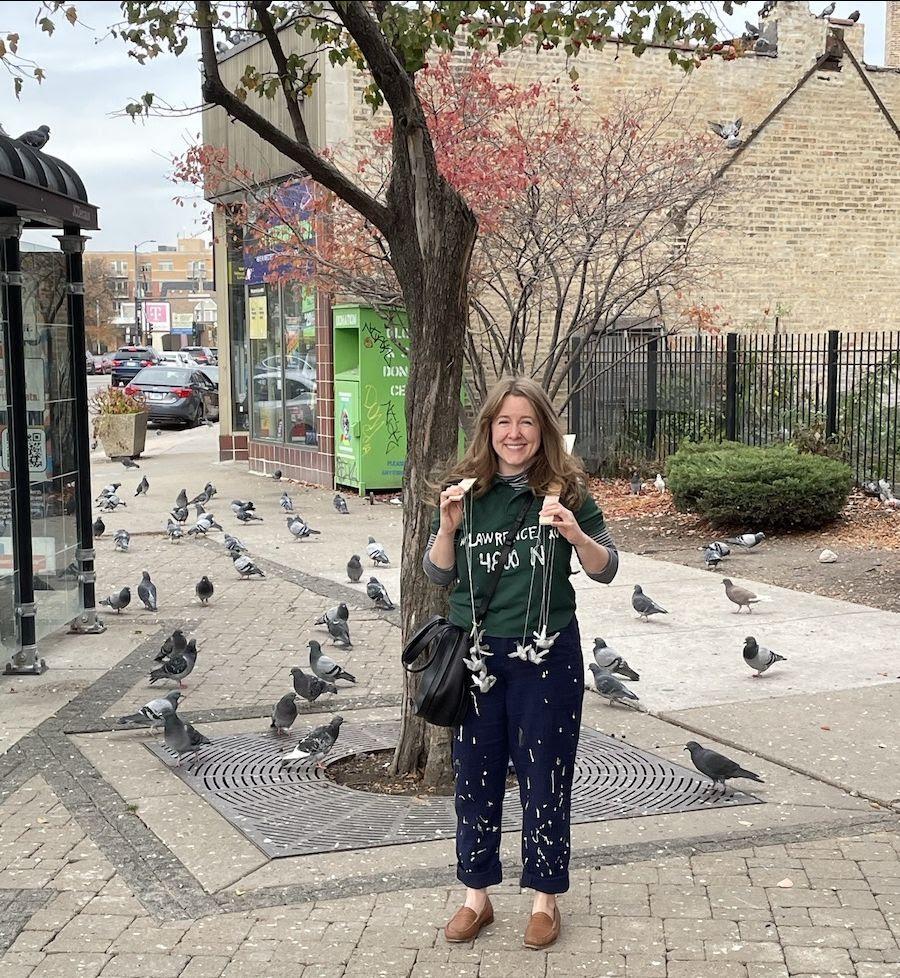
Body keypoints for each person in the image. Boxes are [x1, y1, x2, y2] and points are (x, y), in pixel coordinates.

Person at [423, 375, 618, 950]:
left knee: (546, 778)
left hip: (548, 655)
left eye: (526, 422)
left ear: (543, 430)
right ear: (488, 429)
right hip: (477, 659)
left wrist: (576, 534)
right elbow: (437, 575)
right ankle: (475, 897)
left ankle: (544, 901)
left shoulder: (568, 491)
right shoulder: (466, 492)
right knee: (475, 779)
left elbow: (606, 569)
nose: (515, 433)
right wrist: (446, 528)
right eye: (504, 422)